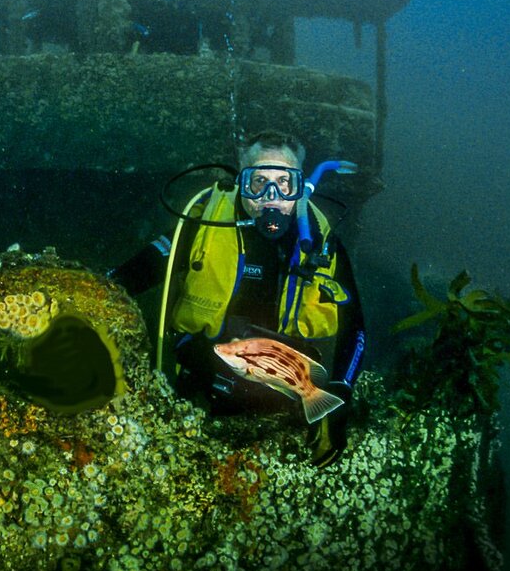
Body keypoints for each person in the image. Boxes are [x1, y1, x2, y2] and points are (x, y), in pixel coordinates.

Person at [110, 130, 365, 467]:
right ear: (241, 182)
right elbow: (144, 269)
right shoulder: (206, 221)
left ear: (299, 189)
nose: (269, 196)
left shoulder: (322, 243)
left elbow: (355, 327)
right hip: (201, 388)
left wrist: (342, 392)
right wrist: (98, 289)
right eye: (258, 181)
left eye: (283, 183)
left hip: (283, 400)